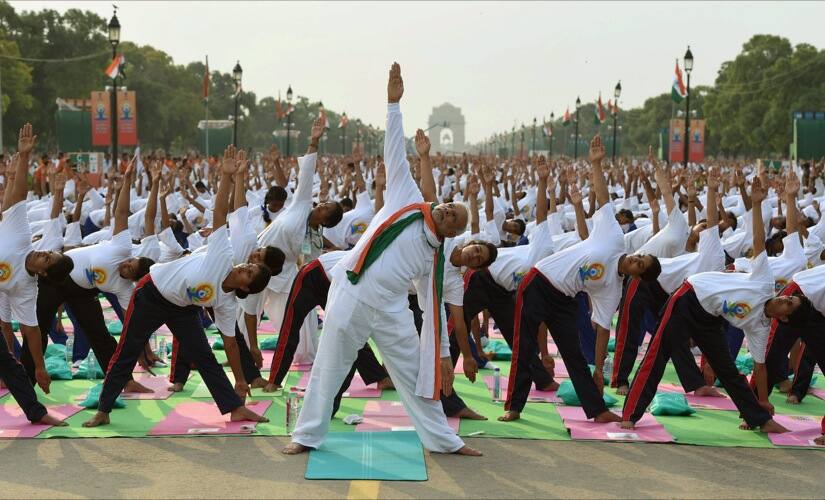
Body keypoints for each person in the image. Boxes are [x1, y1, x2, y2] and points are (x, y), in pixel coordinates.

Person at [283, 63, 480, 456]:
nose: (446, 210)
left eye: (453, 217)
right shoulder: (408, 200)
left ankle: (444, 441)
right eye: (449, 206)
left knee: (414, 376)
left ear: (452, 232)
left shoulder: (436, 257)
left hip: (391, 311)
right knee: (328, 368)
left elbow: (432, 308)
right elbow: (395, 153)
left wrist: (443, 356)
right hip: (353, 293)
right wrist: (393, 105)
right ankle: (305, 437)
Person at [83, 145, 272, 428]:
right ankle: (103, 409)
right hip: (151, 294)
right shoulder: (223, 256)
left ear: (246, 288)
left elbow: (231, 344)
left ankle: (235, 408)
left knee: (205, 357)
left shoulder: (226, 303)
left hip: (182, 309)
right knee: (127, 350)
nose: (245, 267)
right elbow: (220, 213)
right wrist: (226, 176)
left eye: (249, 273)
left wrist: (241, 380)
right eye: (248, 265)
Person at [502, 135, 661, 423]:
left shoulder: (612, 289)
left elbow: (603, 330)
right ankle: (514, 406)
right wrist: (596, 164)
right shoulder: (614, 238)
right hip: (538, 282)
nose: (636, 259)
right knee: (523, 346)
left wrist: (599, 369)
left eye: (640, 265)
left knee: (574, 355)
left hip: (564, 299)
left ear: (638, 276)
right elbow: (603, 200)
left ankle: (597, 410)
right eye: (640, 256)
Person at [621, 176, 789, 433]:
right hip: (687, 298)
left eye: (787, 304)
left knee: (728, 371)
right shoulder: (764, 282)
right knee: (657, 354)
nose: (784, 297)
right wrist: (751, 203)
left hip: (710, 318)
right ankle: (630, 414)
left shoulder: (760, 326)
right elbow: (755, 240)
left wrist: (764, 400)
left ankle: (760, 418)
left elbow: (760, 366)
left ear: (783, 318)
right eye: (787, 296)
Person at [611, 165, 727, 396]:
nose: (704, 229)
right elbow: (666, 194)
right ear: (693, 226)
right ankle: (620, 379)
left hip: (668, 293)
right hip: (643, 277)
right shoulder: (679, 226)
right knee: (630, 327)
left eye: (707, 228)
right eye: (701, 225)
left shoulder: (708, 256)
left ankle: (697, 385)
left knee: (675, 334)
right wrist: (658, 174)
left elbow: (714, 226)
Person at [0, 124, 69, 427]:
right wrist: (25, 158)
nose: (44, 253)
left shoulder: (27, 289)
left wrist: (40, 367)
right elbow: (17, 197)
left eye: (48, 258)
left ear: (43, 271)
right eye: (48, 252)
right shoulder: (21, 235)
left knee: (8, 362)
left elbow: (31, 331)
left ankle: (36, 412)